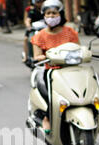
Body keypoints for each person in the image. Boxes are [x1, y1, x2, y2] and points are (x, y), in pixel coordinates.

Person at [31, 0, 79, 133]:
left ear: (61, 14)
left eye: (54, 13)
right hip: (51, 71)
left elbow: (78, 49)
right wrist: (49, 57)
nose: (51, 16)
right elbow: (37, 56)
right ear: (44, 16)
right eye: (48, 13)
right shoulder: (39, 36)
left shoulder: (70, 32)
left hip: (71, 69)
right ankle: (47, 117)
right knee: (53, 95)